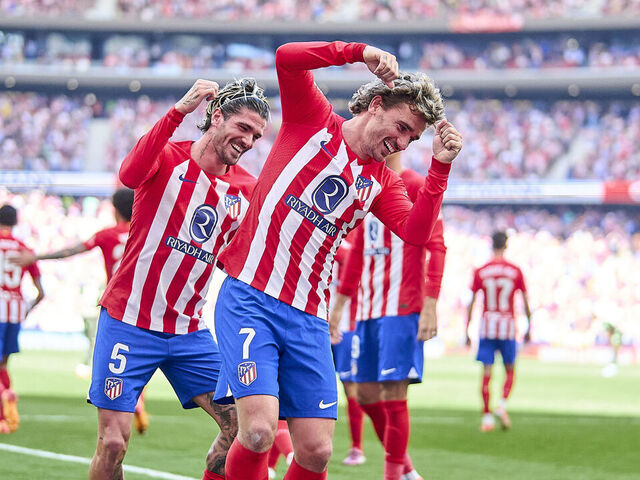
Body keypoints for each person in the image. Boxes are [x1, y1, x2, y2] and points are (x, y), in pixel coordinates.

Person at [213, 40, 462, 479]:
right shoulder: (313, 119)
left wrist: (440, 167)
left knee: (315, 452)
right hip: (252, 297)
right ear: (377, 104)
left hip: (309, 317)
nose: (401, 141)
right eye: (401, 126)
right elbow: (287, 58)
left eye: (412, 138)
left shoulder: (383, 183)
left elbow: (417, 233)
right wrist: (357, 52)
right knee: (257, 432)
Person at [85, 77, 269, 480]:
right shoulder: (167, 157)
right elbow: (129, 174)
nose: (249, 140)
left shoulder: (246, 189)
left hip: (188, 331)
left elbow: (240, 256)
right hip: (128, 321)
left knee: (243, 426)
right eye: (243, 128)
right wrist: (178, 112)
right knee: (113, 442)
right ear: (216, 117)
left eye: (256, 135)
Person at [330, 152, 447, 480]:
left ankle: (393, 474)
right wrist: (339, 308)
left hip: (401, 307)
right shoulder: (364, 187)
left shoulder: (414, 185)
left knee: (394, 393)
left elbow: (436, 246)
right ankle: (406, 469)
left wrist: (431, 304)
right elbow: (355, 256)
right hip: (367, 310)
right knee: (364, 393)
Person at [11, 189, 151, 433]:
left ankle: (120, 401)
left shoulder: (105, 235)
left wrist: (38, 256)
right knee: (146, 356)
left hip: (117, 306)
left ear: (114, 209)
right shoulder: (148, 232)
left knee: (115, 358)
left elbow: (72, 251)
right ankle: (139, 399)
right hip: (146, 305)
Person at [466, 231, 532, 432]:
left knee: (486, 372)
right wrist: (529, 325)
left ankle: (486, 417)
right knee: (510, 369)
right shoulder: (515, 270)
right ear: (506, 245)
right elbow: (525, 301)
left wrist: (466, 328)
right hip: (507, 325)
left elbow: (472, 302)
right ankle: (501, 405)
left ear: (491, 244)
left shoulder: (481, 270)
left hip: (487, 325)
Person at [0, 204, 45, 434]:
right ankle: (4, 413)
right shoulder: (24, 249)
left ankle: (3, 402)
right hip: (14, 310)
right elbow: (41, 292)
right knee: (4, 364)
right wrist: (26, 310)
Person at [329, 239, 366, 467]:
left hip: (344, 329)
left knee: (349, 386)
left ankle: (357, 447)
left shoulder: (346, 250)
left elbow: (351, 286)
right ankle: (283, 454)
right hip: (320, 326)